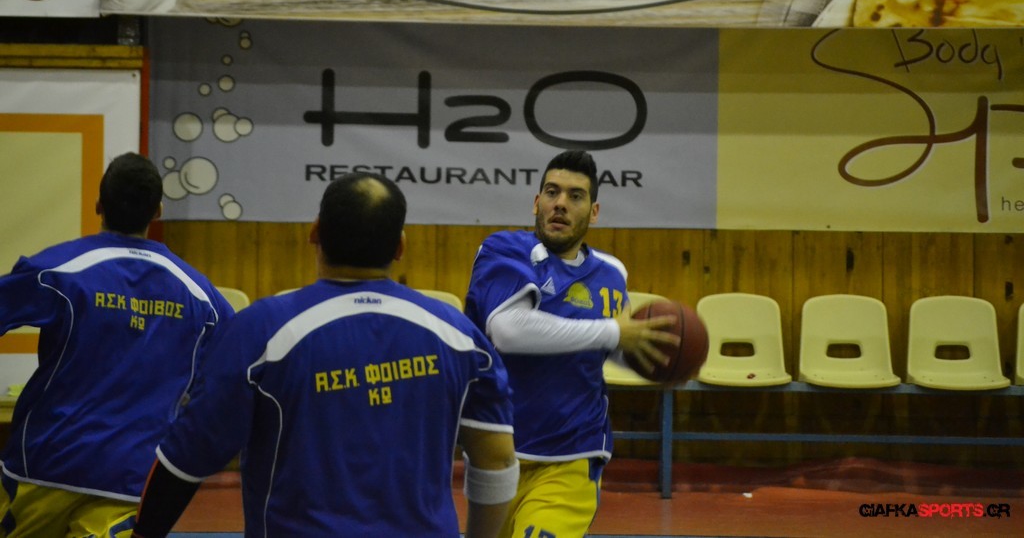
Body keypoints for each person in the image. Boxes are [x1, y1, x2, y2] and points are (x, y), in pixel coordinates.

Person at [131, 173, 519, 538]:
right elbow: (497, 461)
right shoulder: (460, 338)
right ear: (400, 247)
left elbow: (185, 459)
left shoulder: (260, 331)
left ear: (314, 232)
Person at [0, 152, 235, 537]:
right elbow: (232, 377)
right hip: (130, 481)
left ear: (99, 204)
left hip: (43, 467)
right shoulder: (203, 298)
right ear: (157, 212)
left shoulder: (56, 271)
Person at [464, 150, 679, 538]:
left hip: (573, 454)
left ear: (593, 212)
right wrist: (613, 333)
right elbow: (508, 330)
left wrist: (653, 356)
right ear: (536, 202)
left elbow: (611, 348)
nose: (560, 203)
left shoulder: (612, 273)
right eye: (552, 192)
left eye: (575, 196)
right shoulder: (504, 250)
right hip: (498, 453)